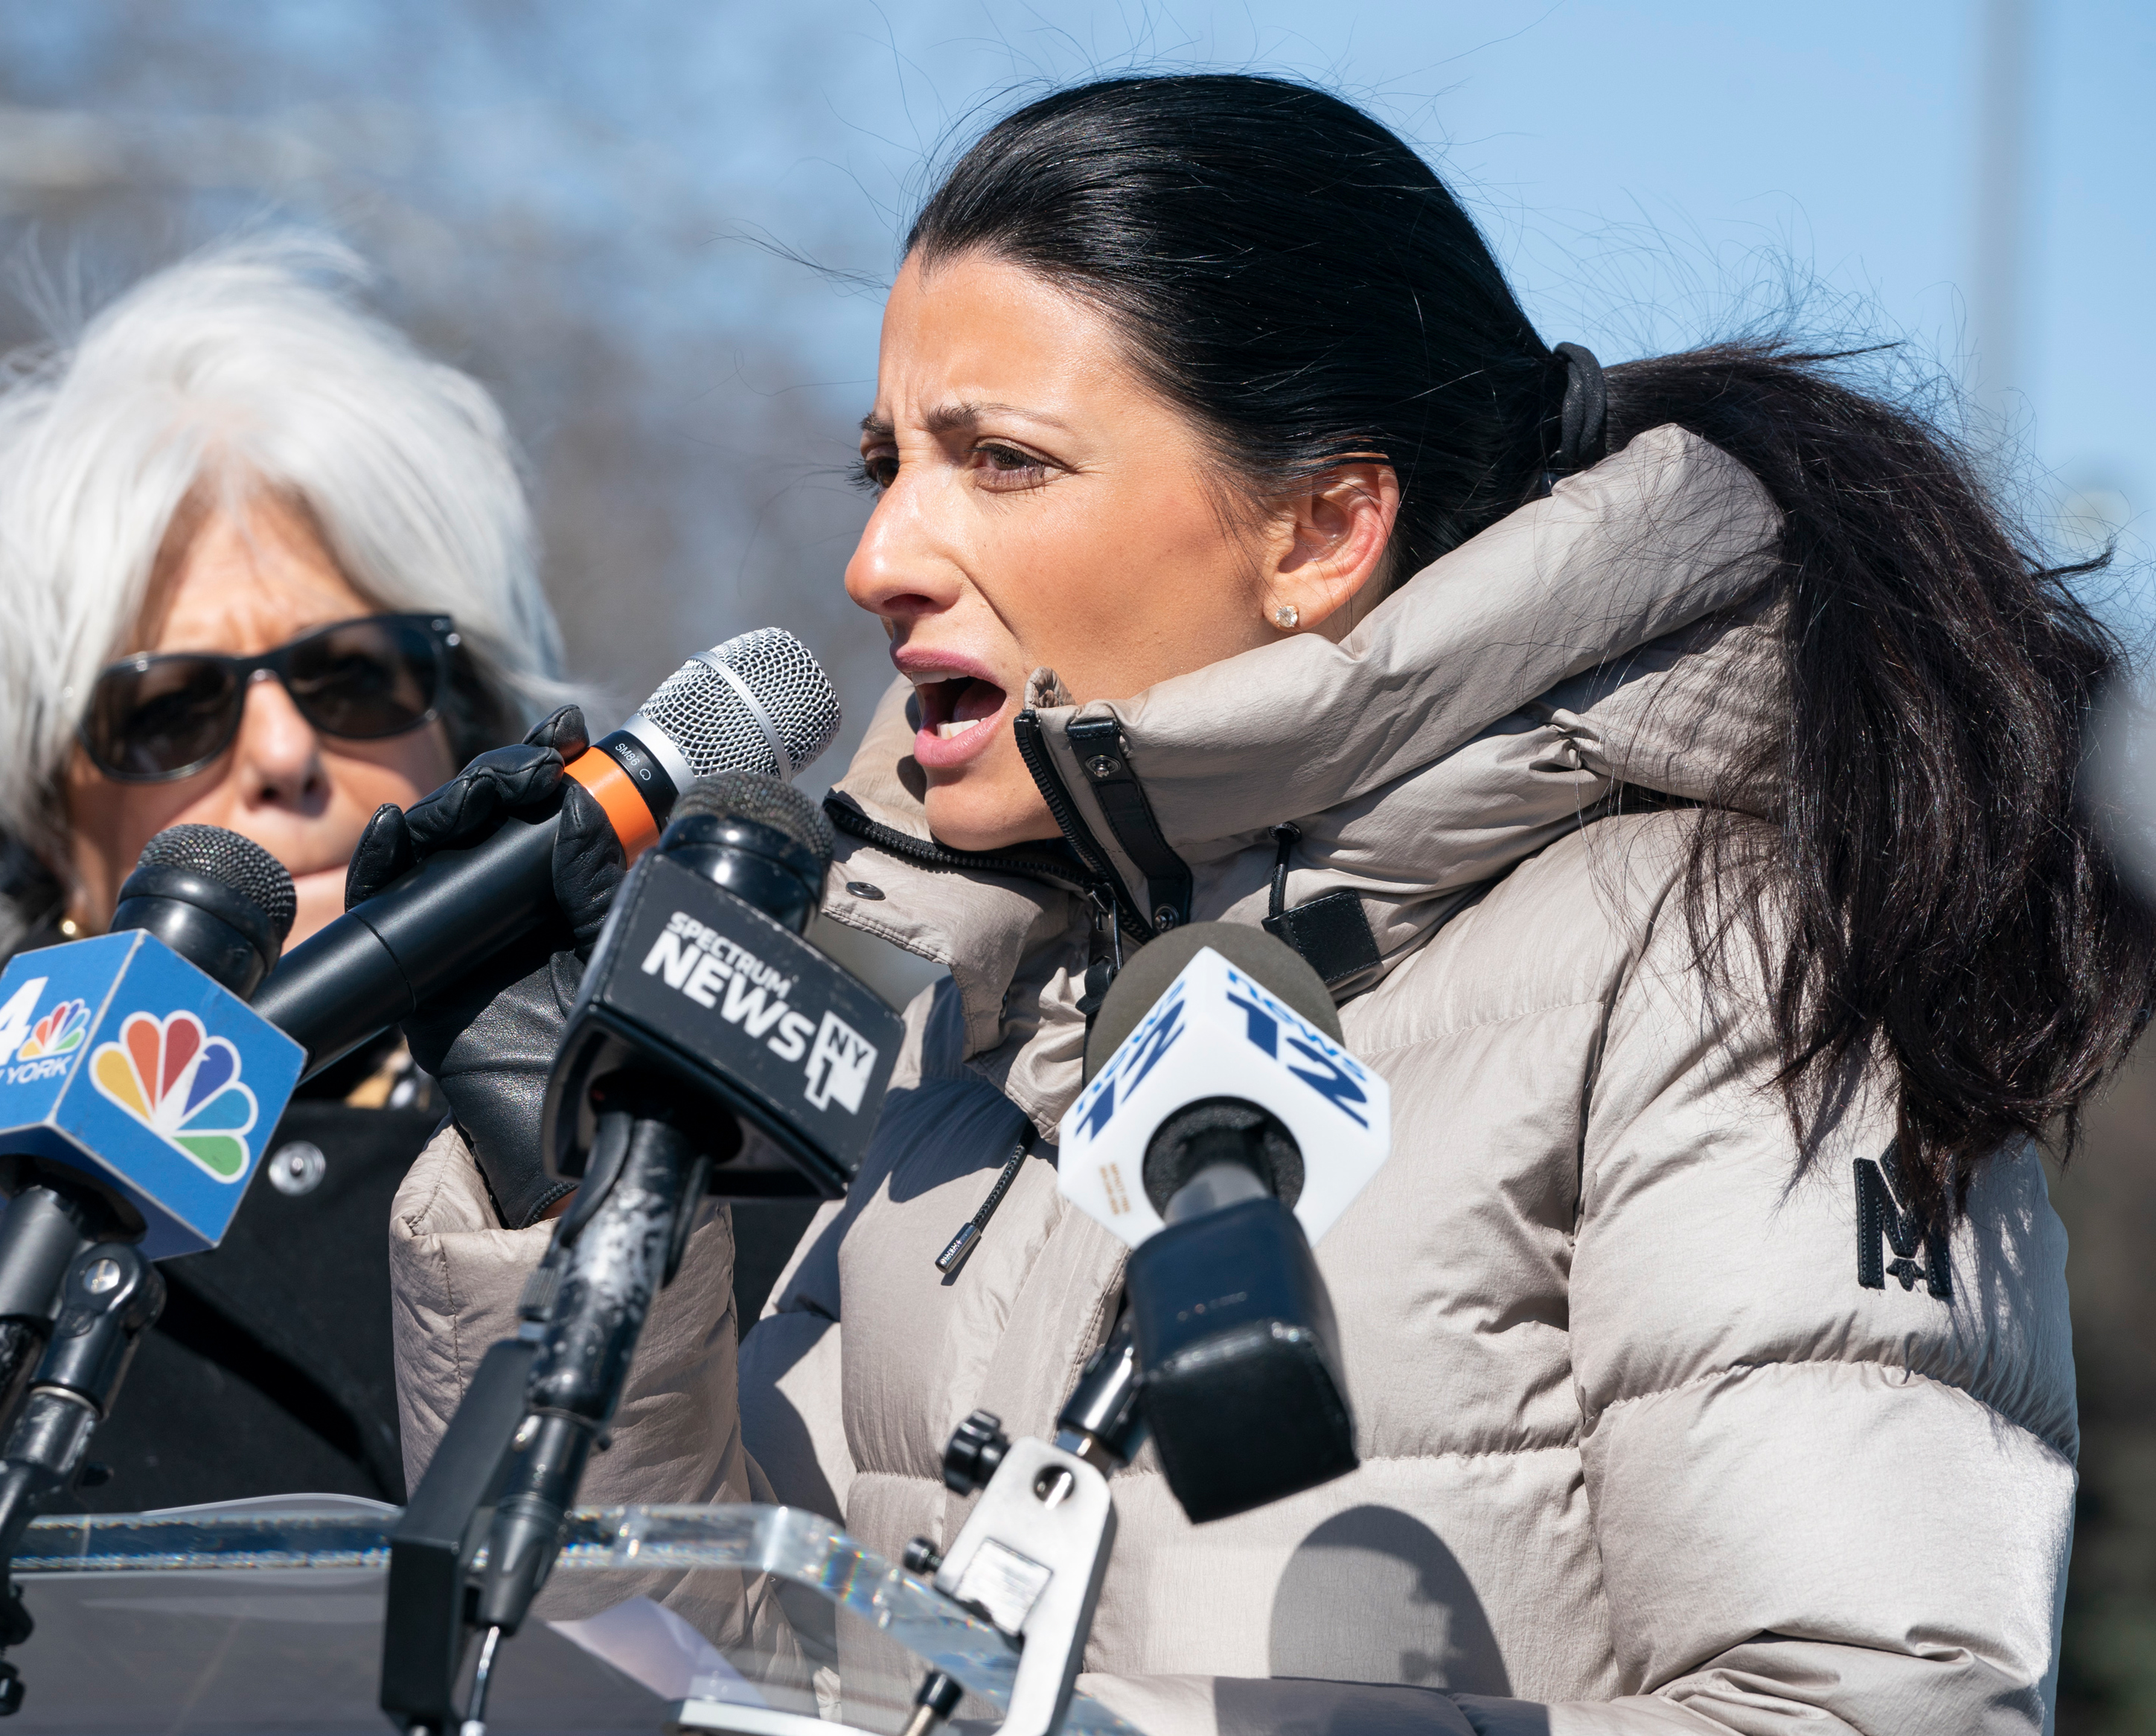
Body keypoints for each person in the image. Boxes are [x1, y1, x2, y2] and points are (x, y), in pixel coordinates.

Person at [387, 77, 2141, 1733]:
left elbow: (1863, 1709)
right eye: (885, 465)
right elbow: (721, 1670)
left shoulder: (1713, 957)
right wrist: (562, 1192)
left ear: (1319, 531)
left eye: (1000, 461)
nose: (878, 559)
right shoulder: (985, 997)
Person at [0, 238, 743, 1510]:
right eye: (171, 711)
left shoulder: (703, 1164)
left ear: (465, 723)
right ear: (40, 830)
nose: (286, 754)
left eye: (357, 675)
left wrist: (556, 1164)